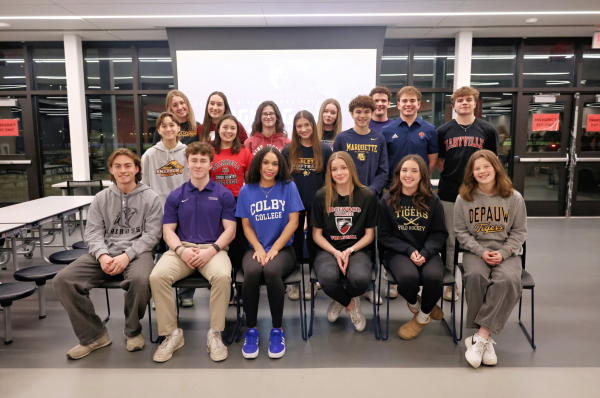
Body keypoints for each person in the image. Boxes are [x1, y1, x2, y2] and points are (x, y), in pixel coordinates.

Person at [53, 149, 163, 359]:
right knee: (63, 280)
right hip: (104, 254)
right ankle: (94, 336)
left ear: (137, 169)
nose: (123, 170)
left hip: (138, 253)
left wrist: (127, 256)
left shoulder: (151, 198)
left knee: (141, 280)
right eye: (118, 166)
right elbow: (93, 233)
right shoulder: (101, 198)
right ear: (111, 170)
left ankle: (132, 331)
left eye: (128, 165)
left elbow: (152, 235)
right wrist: (103, 256)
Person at [149, 142, 236, 363]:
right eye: (194, 160)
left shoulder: (223, 194)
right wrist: (180, 250)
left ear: (210, 164)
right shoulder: (175, 195)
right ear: (187, 163)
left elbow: (230, 230)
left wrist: (212, 250)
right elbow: (168, 231)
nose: (198, 165)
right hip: (182, 250)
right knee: (157, 276)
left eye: (203, 161)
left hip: (213, 250)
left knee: (223, 276)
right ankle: (171, 334)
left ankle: (215, 333)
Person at [454, 150, 527, 369]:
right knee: (475, 276)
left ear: (495, 168)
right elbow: (461, 232)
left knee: (509, 281)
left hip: (507, 251)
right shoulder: (464, 198)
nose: (482, 171)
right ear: (472, 173)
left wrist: (504, 252)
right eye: (477, 168)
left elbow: (519, 231)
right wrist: (480, 251)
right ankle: (484, 338)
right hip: (476, 251)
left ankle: (481, 336)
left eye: (486, 166)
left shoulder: (513, 197)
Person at [235, 147, 304, 359]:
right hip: (255, 248)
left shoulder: (288, 187)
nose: (270, 168)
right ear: (258, 164)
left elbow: (294, 222)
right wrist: (258, 248)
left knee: (272, 271)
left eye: (275, 164)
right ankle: (252, 330)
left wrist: (274, 248)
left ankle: (277, 330)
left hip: (283, 249)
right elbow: (246, 226)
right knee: (253, 272)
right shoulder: (247, 190)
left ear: (280, 166)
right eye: (266, 162)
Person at [436, 86, 499, 302]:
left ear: (475, 103)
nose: (464, 103)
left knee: (483, 236)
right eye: (459, 100)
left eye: (468, 100)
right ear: (453, 105)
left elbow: (492, 163)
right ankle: (450, 284)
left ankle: (481, 279)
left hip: (480, 194)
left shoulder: (487, 129)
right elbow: (440, 161)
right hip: (449, 192)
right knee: (451, 241)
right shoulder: (443, 131)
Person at [378, 155, 448, 339]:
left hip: (427, 251)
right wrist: (409, 251)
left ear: (422, 175)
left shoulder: (433, 200)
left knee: (433, 277)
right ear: (398, 174)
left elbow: (439, 233)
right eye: (404, 170)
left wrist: (425, 252)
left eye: (414, 171)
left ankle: (422, 318)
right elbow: (384, 236)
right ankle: (418, 305)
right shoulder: (387, 200)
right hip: (398, 252)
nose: (408, 175)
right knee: (408, 278)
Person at [311, 152, 377, 332]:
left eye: (343, 167)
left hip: (357, 248)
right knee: (327, 279)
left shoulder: (367, 195)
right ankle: (349, 304)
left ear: (351, 168)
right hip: (328, 248)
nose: (339, 172)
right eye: (334, 169)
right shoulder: (321, 195)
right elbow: (316, 235)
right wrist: (335, 252)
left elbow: (369, 235)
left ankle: (340, 299)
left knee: (362, 279)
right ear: (329, 172)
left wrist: (349, 251)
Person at [333, 95, 388, 304]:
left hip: (370, 199)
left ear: (371, 113)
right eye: (358, 112)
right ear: (352, 114)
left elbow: (384, 170)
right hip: (344, 200)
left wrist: (370, 191)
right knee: (343, 238)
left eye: (366, 112)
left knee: (370, 242)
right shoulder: (342, 138)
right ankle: (343, 282)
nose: (362, 116)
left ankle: (369, 286)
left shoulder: (379, 138)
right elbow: (335, 169)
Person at [282, 110, 333, 301]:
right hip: (294, 204)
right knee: (294, 243)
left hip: (317, 204)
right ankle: (294, 284)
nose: (303, 129)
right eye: (299, 126)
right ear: (295, 129)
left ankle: (313, 282)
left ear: (313, 125)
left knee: (314, 243)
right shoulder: (288, 150)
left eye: (307, 125)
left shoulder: (325, 149)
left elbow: (329, 179)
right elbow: (283, 179)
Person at [211, 114, 254, 302]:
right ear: (218, 129)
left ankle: (242, 289)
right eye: (225, 127)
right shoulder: (209, 150)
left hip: (237, 204)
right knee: (219, 247)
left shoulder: (244, 152)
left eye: (233, 128)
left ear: (237, 132)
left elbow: (252, 181)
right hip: (213, 204)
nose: (229, 131)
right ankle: (224, 289)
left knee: (239, 248)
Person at [381, 86, 438, 182]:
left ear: (418, 104)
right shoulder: (386, 131)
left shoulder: (430, 130)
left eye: (412, 101)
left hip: (421, 187)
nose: (408, 104)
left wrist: (421, 179)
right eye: (404, 101)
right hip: (392, 187)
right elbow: (383, 162)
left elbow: (432, 162)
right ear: (398, 105)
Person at [141, 111, 190, 206]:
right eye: (163, 126)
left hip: (184, 206)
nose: (168, 129)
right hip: (157, 207)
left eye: (172, 125)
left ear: (178, 128)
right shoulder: (149, 155)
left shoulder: (188, 153)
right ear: (158, 130)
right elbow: (143, 183)